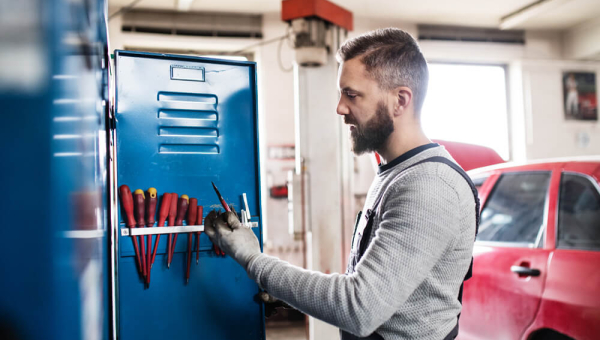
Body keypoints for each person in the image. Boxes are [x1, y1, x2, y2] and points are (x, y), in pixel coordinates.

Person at [204, 28, 477, 340]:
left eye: (352, 94)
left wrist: (255, 261)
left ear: (400, 100)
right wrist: (288, 291)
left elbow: (359, 307)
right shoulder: (395, 172)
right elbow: (375, 286)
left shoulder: (428, 186)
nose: (340, 108)